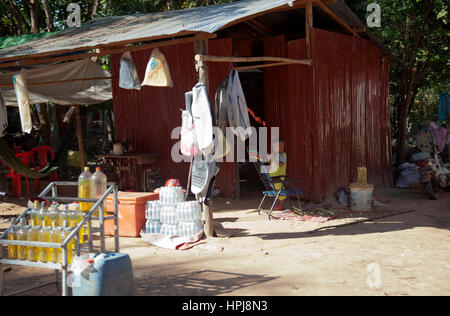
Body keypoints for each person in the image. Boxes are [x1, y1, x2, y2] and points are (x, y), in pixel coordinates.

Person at [265, 139, 287, 210]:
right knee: (276, 191)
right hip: (273, 177)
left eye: (282, 146)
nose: (281, 147)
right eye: (278, 146)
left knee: (280, 192)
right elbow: (269, 162)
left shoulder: (283, 155)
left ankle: (281, 205)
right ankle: (278, 204)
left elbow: (280, 164)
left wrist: (272, 158)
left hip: (279, 177)